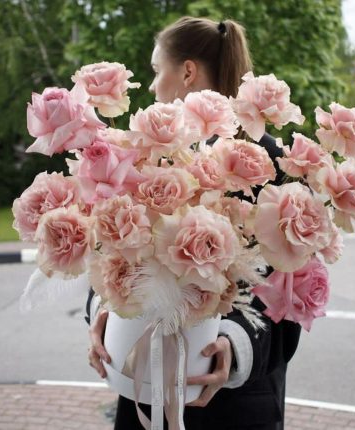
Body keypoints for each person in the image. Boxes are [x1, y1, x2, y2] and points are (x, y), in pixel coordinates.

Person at [86, 16, 301, 430]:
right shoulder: (147, 154)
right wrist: (103, 310)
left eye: (156, 71)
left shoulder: (267, 159)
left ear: (187, 72)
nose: (153, 87)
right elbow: (110, 251)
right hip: (144, 392)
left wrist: (234, 345)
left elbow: (291, 292)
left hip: (233, 407)